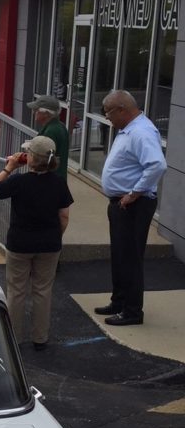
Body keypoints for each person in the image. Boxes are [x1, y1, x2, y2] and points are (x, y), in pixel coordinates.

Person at [0, 135, 73, 350]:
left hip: (20, 243)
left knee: (16, 290)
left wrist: (10, 167)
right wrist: (55, 236)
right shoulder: (58, 183)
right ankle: (40, 338)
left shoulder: (18, 181)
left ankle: (14, 337)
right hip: (49, 243)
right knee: (43, 290)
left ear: (31, 158)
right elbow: (64, 216)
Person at [94, 90, 167, 326]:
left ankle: (132, 311)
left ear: (122, 109)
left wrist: (134, 193)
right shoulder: (128, 129)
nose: (107, 118)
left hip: (133, 205)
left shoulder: (141, 132)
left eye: (108, 113)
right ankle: (119, 302)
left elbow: (156, 165)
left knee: (130, 258)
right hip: (121, 203)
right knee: (119, 255)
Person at [27, 94, 69, 179]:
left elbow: (41, 161)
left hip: (48, 181)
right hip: (57, 180)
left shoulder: (50, 132)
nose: (33, 112)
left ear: (46, 113)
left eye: (36, 110)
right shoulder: (60, 126)